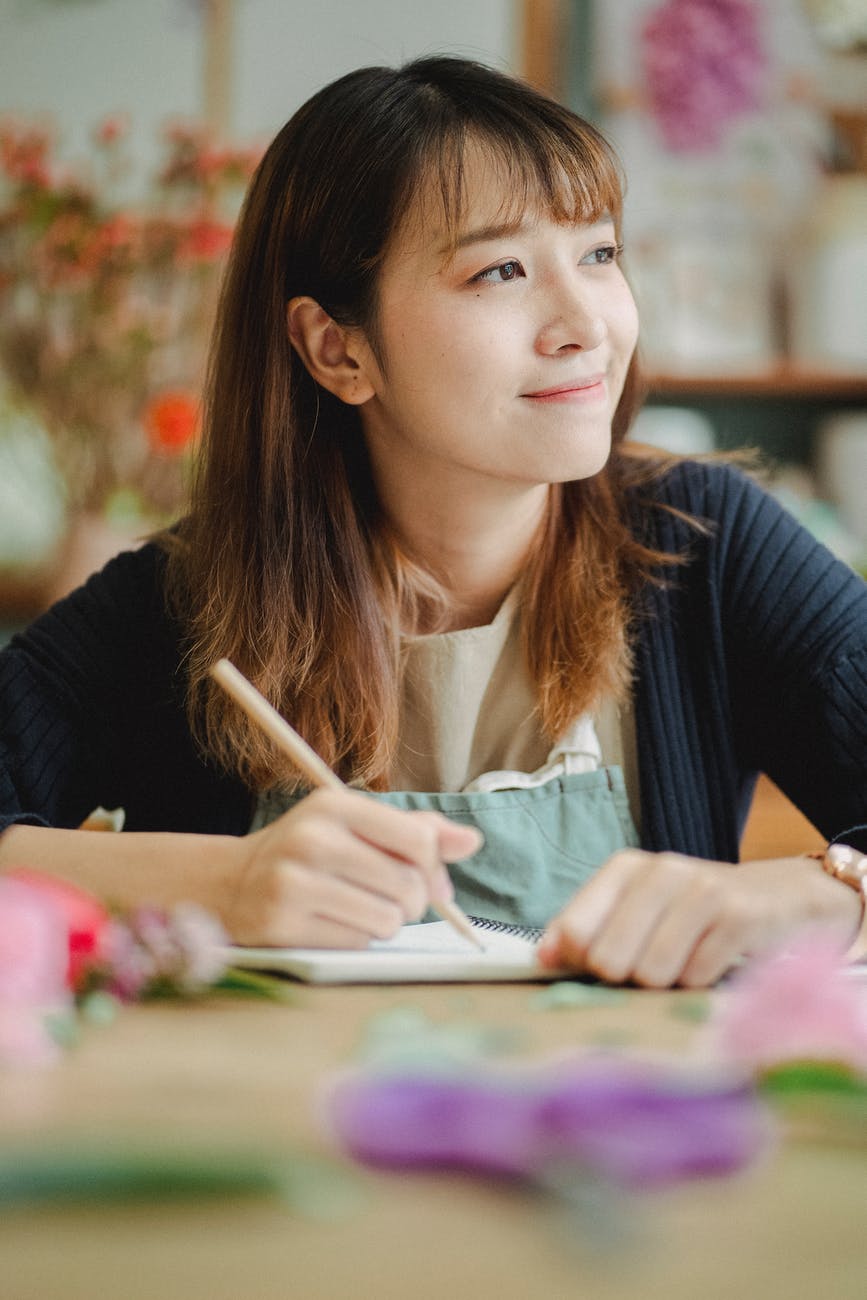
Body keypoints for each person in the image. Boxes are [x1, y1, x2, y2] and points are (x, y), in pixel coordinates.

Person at [1, 55, 866, 988]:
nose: (585, 323)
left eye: (600, 254)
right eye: (499, 270)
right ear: (337, 349)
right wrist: (224, 879)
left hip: (607, 1125)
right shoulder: (185, 597)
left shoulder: (703, 545)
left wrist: (815, 894)